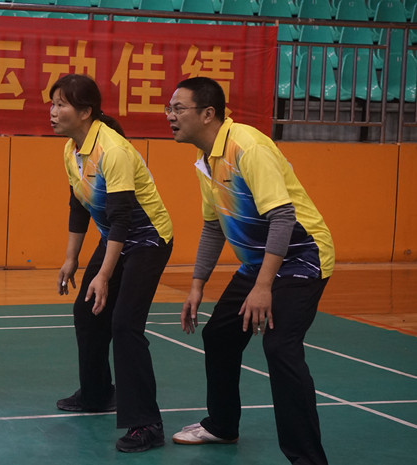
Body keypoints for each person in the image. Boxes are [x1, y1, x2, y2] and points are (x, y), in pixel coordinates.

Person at [166, 77, 334, 465]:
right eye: (168, 109)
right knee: (220, 335)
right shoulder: (205, 159)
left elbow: (283, 217)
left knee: (280, 348)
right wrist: (197, 285)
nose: (170, 116)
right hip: (260, 262)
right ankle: (222, 425)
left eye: (178, 109)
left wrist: (263, 287)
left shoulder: (247, 147)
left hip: (302, 256)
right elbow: (213, 226)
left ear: (208, 114)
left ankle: (308, 459)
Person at [50, 74, 174, 453]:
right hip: (117, 238)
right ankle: (97, 394)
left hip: (148, 239)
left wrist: (104, 275)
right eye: (52, 103)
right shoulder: (72, 150)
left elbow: (122, 218)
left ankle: (146, 423)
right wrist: (71, 259)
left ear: (85, 111)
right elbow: (79, 206)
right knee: (87, 312)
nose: (52, 111)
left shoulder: (113, 150)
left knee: (125, 325)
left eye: (61, 104)